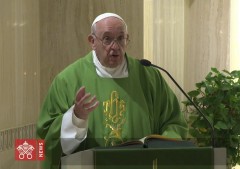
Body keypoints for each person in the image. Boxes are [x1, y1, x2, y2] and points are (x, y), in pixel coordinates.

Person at [36, 12, 188, 169]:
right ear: (92, 41)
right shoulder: (67, 80)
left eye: (121, 38)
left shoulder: (149, 76)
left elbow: (174, 123)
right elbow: (47, 137)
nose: (115, 47)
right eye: (107, 39)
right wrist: (75, 119)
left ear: (127, 39)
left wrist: (163, 147)